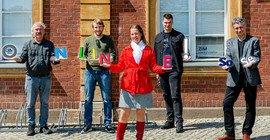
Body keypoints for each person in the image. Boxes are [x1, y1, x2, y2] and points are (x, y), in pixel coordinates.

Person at [101, 25, 170, 140]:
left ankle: (139, 138)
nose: (134, 36)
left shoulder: (149, 50)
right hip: (128, 85)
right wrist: (109, 66)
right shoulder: (126, 50)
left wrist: (163, 68)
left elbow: (153, 67)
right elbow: (119, 67)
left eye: (136, 33)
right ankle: (119, 138)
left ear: (141, 34)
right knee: (124, 113)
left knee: (141, 114)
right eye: (132, 34)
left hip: (143, 85)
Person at [4, 22, 61, 136]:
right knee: (30, 103)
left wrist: (56, 60)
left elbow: (52, 56)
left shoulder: (49, 44)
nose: (38, 31)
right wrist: (17, 59)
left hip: (46, 78)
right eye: (36, 30)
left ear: (44, 31)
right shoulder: (27, 44)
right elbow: (23, 58)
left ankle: (43, 126)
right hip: (31, 78)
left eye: (40, 29)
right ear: (33, 32)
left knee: (44, 103)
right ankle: (31, 126)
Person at [216, 17, 261, 140]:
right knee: (227, 103)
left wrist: (253, 63)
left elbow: (257, 57)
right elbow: (228, 56)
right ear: (234, 29)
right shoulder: (230, 42)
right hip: (234, 76)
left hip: (250, 76)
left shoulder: (254, 41)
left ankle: (246, 133)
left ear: (245, 27)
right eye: (236, 28)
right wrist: (227, 64)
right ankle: (230, 133)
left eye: (241, 27)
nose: (239, 30)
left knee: (250, 105)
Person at [154, 13, 191, 133]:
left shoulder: (179, 36)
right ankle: (170, 121)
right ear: (162, 22)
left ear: (172, 22)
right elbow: (155, 55)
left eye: (169, 23)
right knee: (166, 95)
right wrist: (157, 71)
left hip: (174, 70)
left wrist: (186, 56)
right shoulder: (158, 37)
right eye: (165, 22)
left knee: (175, 96)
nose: (167, 25)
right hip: (162, 69)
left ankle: (179, 122)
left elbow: (185, 50)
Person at [81, 18, 116, 134]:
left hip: (104, 72)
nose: (98, 29)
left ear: (103, 27)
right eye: (96, 27)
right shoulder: (88, 40)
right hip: (90, 71)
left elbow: (113, 54)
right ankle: (87, 124)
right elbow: (82, 54)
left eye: (99, 27)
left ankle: (108, 123)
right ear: (93, 28)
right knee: (88, 99)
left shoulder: (108, 40)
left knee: (106, 99)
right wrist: (81, 57)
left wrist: (109, 61)